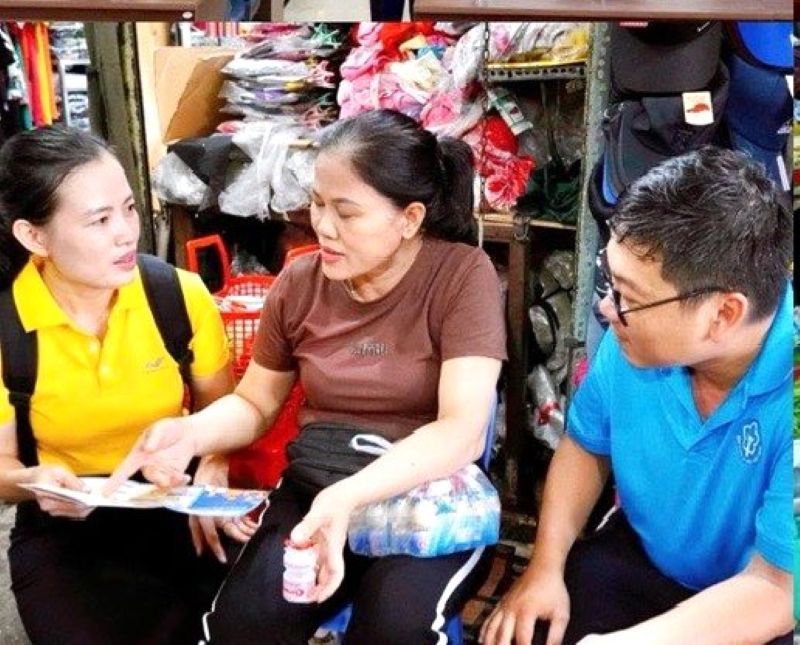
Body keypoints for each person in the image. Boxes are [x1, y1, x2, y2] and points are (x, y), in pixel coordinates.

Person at [106, 108, 507, 644]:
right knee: (242, 628)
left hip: (424, 501)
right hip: (314, 487)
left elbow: (460, 430)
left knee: (395, 629)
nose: (323, 226)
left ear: (410, 219)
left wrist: (346, 498)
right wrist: (191, 434)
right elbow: (255, 404)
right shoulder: (299, 283)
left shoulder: (461, 276)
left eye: (346, 212)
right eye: (317, 203)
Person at [480, 146, 794, 645]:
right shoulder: (634, 342)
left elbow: (776, 588)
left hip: (752, 597)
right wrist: (545, 566)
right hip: (641, 558)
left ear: (722, 315)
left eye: (628, 296)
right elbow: (586, 445)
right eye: (612, 283)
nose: (608, 309)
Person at [0, 127, 250, 645]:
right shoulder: (7, 327)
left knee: (232, 625)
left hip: (172, 502)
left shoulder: (178, 297)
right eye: (100, 220)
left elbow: (223, 416)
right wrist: (32, 481)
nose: (126, 233)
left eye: (130, 209)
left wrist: (212, 467)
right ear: (34, 237)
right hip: (62, 524)